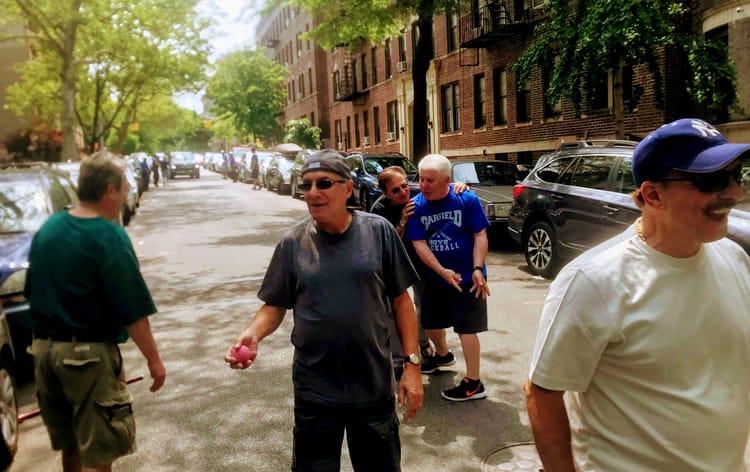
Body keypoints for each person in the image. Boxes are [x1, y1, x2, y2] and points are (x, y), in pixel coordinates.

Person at [525, 118, 750, 471]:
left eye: (737, 176)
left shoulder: (735, 259)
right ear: (653, 195)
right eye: (713, 180)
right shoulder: (592, 280)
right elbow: (543, 391)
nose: (735, 193)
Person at [224, 150, 423, 471]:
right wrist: (252, 333)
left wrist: (412, 366)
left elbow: (402, 301)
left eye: (324, 183)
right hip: (315, 391)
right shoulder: (293, 243)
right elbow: (274, 305)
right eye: (307, 185)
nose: (313, 192)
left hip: (372, 387)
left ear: (347, 189)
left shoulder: (379, 232)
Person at [24, 151, 166, 472]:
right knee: (99, 455)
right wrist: (154, 361)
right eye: (125, 186)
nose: (128, 191)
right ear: (109, 190)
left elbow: (32, 291)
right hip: (86, 360)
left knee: (72, 444)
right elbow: (133, 310)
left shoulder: (50, 228)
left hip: (46, 354)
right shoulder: (108, 236)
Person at [406, 154, 491, 402]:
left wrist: (477, 268)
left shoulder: (466, 199)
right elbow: (419, 243)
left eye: (430, 180)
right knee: (432, 324)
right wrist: (441, 271)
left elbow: (480, 235)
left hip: (468, 278)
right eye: (421, 179)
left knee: (467, 329)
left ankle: (474, 383)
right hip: (436, 278)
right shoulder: (417, 205)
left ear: (447, 180)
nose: (424, 185)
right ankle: (442, 355)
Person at [370, 166, 468, 378]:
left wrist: (459, 186)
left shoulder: (417, 193)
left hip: (420, 262)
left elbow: (440, 187)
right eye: (396, 191)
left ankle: (426, 348)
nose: (404, 192)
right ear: (385, 193)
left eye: (405, 186)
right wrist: (403, 220)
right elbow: (384, 244)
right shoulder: (378, 211)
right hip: (393, 265)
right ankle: (400, 360)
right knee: (394, 309)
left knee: (423, 307)